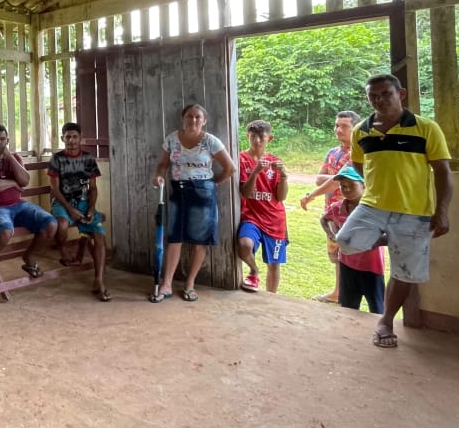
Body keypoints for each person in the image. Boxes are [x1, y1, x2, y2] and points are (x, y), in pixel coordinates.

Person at [335, 74, 452, 348]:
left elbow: (443, 172)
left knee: (405, 273)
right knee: (345, 240)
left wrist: (442, 211)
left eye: (385, 93)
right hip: (373, 205)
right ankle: (387, 236)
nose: (379, 100)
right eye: (372, 95)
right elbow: (360, 166)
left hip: (414, 211)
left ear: (401, 93)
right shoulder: (362, 131)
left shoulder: (425, 128)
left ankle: (386, 320)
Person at [151, 104, 236, 302]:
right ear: (183, 118)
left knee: (199, 241)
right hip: (178, 191)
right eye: (190, 116)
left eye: (198, 117)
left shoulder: (210, 141)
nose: (193, 120)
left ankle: (190, 285)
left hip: (203, 194)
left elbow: (230, 169)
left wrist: (212, 183)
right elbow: (163, 164)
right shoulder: (172, 139)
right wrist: (158, 176)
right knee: (175, 238)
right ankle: (167, 284)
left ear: (204, 120)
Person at [0, 124, 57, 288]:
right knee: (5, 231)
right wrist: (12, 183)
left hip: (19, 206)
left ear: (7, 140)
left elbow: (24, 181)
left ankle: (29, 257)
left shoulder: (14, 158)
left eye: (2, 139)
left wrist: (9, 156)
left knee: (50, 224)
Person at [301, 110, 362, 304]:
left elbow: (335, 182)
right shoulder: (332, 153)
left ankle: (352, 294)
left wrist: (317, 191)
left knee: (352, 253)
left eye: (344, 126)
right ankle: (338, 292)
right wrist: (338, 178)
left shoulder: (359, 154)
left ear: (356, 129)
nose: (338, 129)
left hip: (352, 212)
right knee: (336, 253)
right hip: (332, 211)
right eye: (337, 125)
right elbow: (320, 178)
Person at [48, 122, 110, 301]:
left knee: (99, 236)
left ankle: (98, 280)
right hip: (62, 203)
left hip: (84, 204)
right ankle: (62, 249)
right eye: (68, 137)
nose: (71, 140)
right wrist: (70, 210)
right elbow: (55, 190)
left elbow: (93, 189)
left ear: (81, 139)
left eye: (75, 137)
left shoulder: (89, 159)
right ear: (62, 139)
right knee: (62, 224)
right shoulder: (57, 159)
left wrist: (90, 209)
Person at [320, 167, 385, 314]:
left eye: (352, 185)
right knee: (348, 305)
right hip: (347, 264)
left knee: (376, 308)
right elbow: (324, 219)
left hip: (372, 267)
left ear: (364, 185)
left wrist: (375, 241)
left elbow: (388, 231)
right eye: (343, 186)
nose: (347, 189)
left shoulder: (374, 209)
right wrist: (331, 234)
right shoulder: (337, 208)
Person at [237, 120, 289, 294]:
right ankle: (254, 271)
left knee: (274, 264)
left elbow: (281, 197)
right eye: (253, 136)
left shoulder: (275, 162)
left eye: (261, 137)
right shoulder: (241, 159)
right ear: (247, 136)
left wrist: (283, 177)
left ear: (270, 138)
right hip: (251, 217)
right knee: (244, 245)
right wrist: (256, 171)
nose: (257, 141)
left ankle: (271, 299)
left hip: (275, 221)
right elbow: (245, 192)